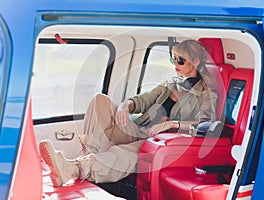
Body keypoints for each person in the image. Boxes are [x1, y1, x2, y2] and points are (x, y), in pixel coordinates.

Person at [39, 39, 218, 187]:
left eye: (181, 60)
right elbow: (144, 100)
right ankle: (86, 162)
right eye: (173, 59)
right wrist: (126, 105)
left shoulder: (206, 92)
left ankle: (74, 168)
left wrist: (172, 124)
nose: (175, 65)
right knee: (99, 100)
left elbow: (206, 123)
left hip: (161, 142)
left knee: (123, 151)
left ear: (195, 62)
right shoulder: (171, 83)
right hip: (139, 130)